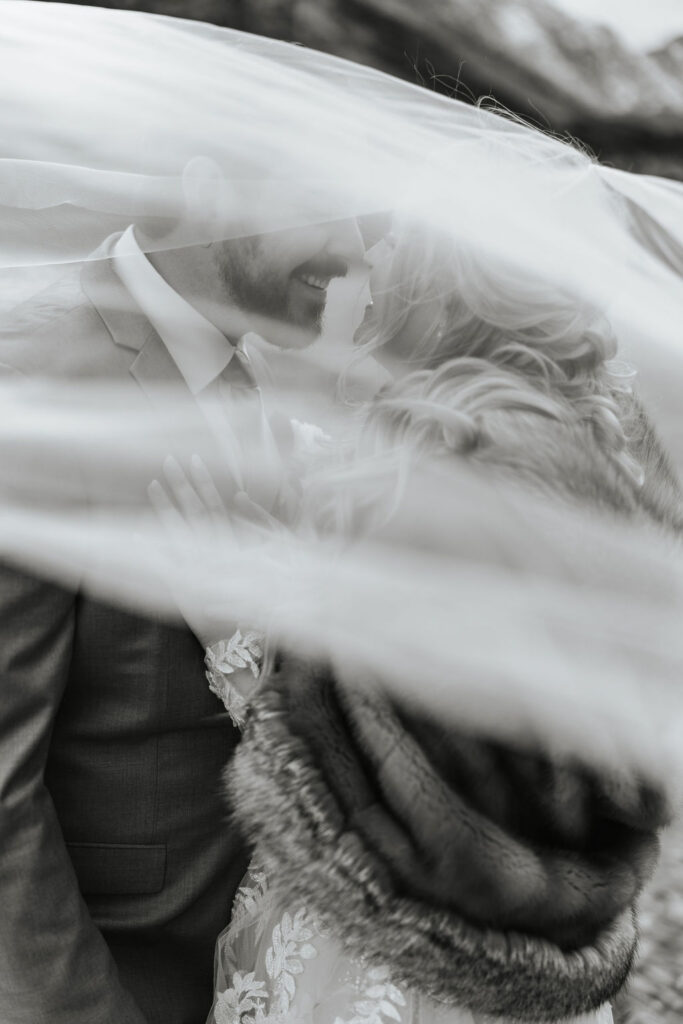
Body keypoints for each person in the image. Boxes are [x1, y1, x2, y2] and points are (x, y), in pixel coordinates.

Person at [196, 221, 679, 1024]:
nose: (371, 279)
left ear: (447, 296)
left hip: (403, 944)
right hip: (519, 927)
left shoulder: (457, 460)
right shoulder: (592, 451)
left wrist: (231, 629)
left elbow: (424, 753)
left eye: (396, 267)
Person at [0, 200, 365, 1024]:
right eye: (325, 208)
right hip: (120, 981)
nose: (354, 254)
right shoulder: (33, 383)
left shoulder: (241, 371)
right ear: (206, 180)